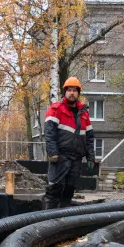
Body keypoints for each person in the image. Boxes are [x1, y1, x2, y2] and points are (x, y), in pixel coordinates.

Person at [43, 77, 96, 208]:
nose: (72, 93)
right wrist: (53, 153)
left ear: (78, 93)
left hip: (76, 159)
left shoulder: (84, 113)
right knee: (54, 190)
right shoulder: (56, 109)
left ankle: (64, 223)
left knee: (68, 191)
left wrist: (91, 157)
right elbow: (49, 133)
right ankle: (45, 222)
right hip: (60, 157)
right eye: (69, 90)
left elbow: (89, 137)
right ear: (64, 92)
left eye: (74, 90)